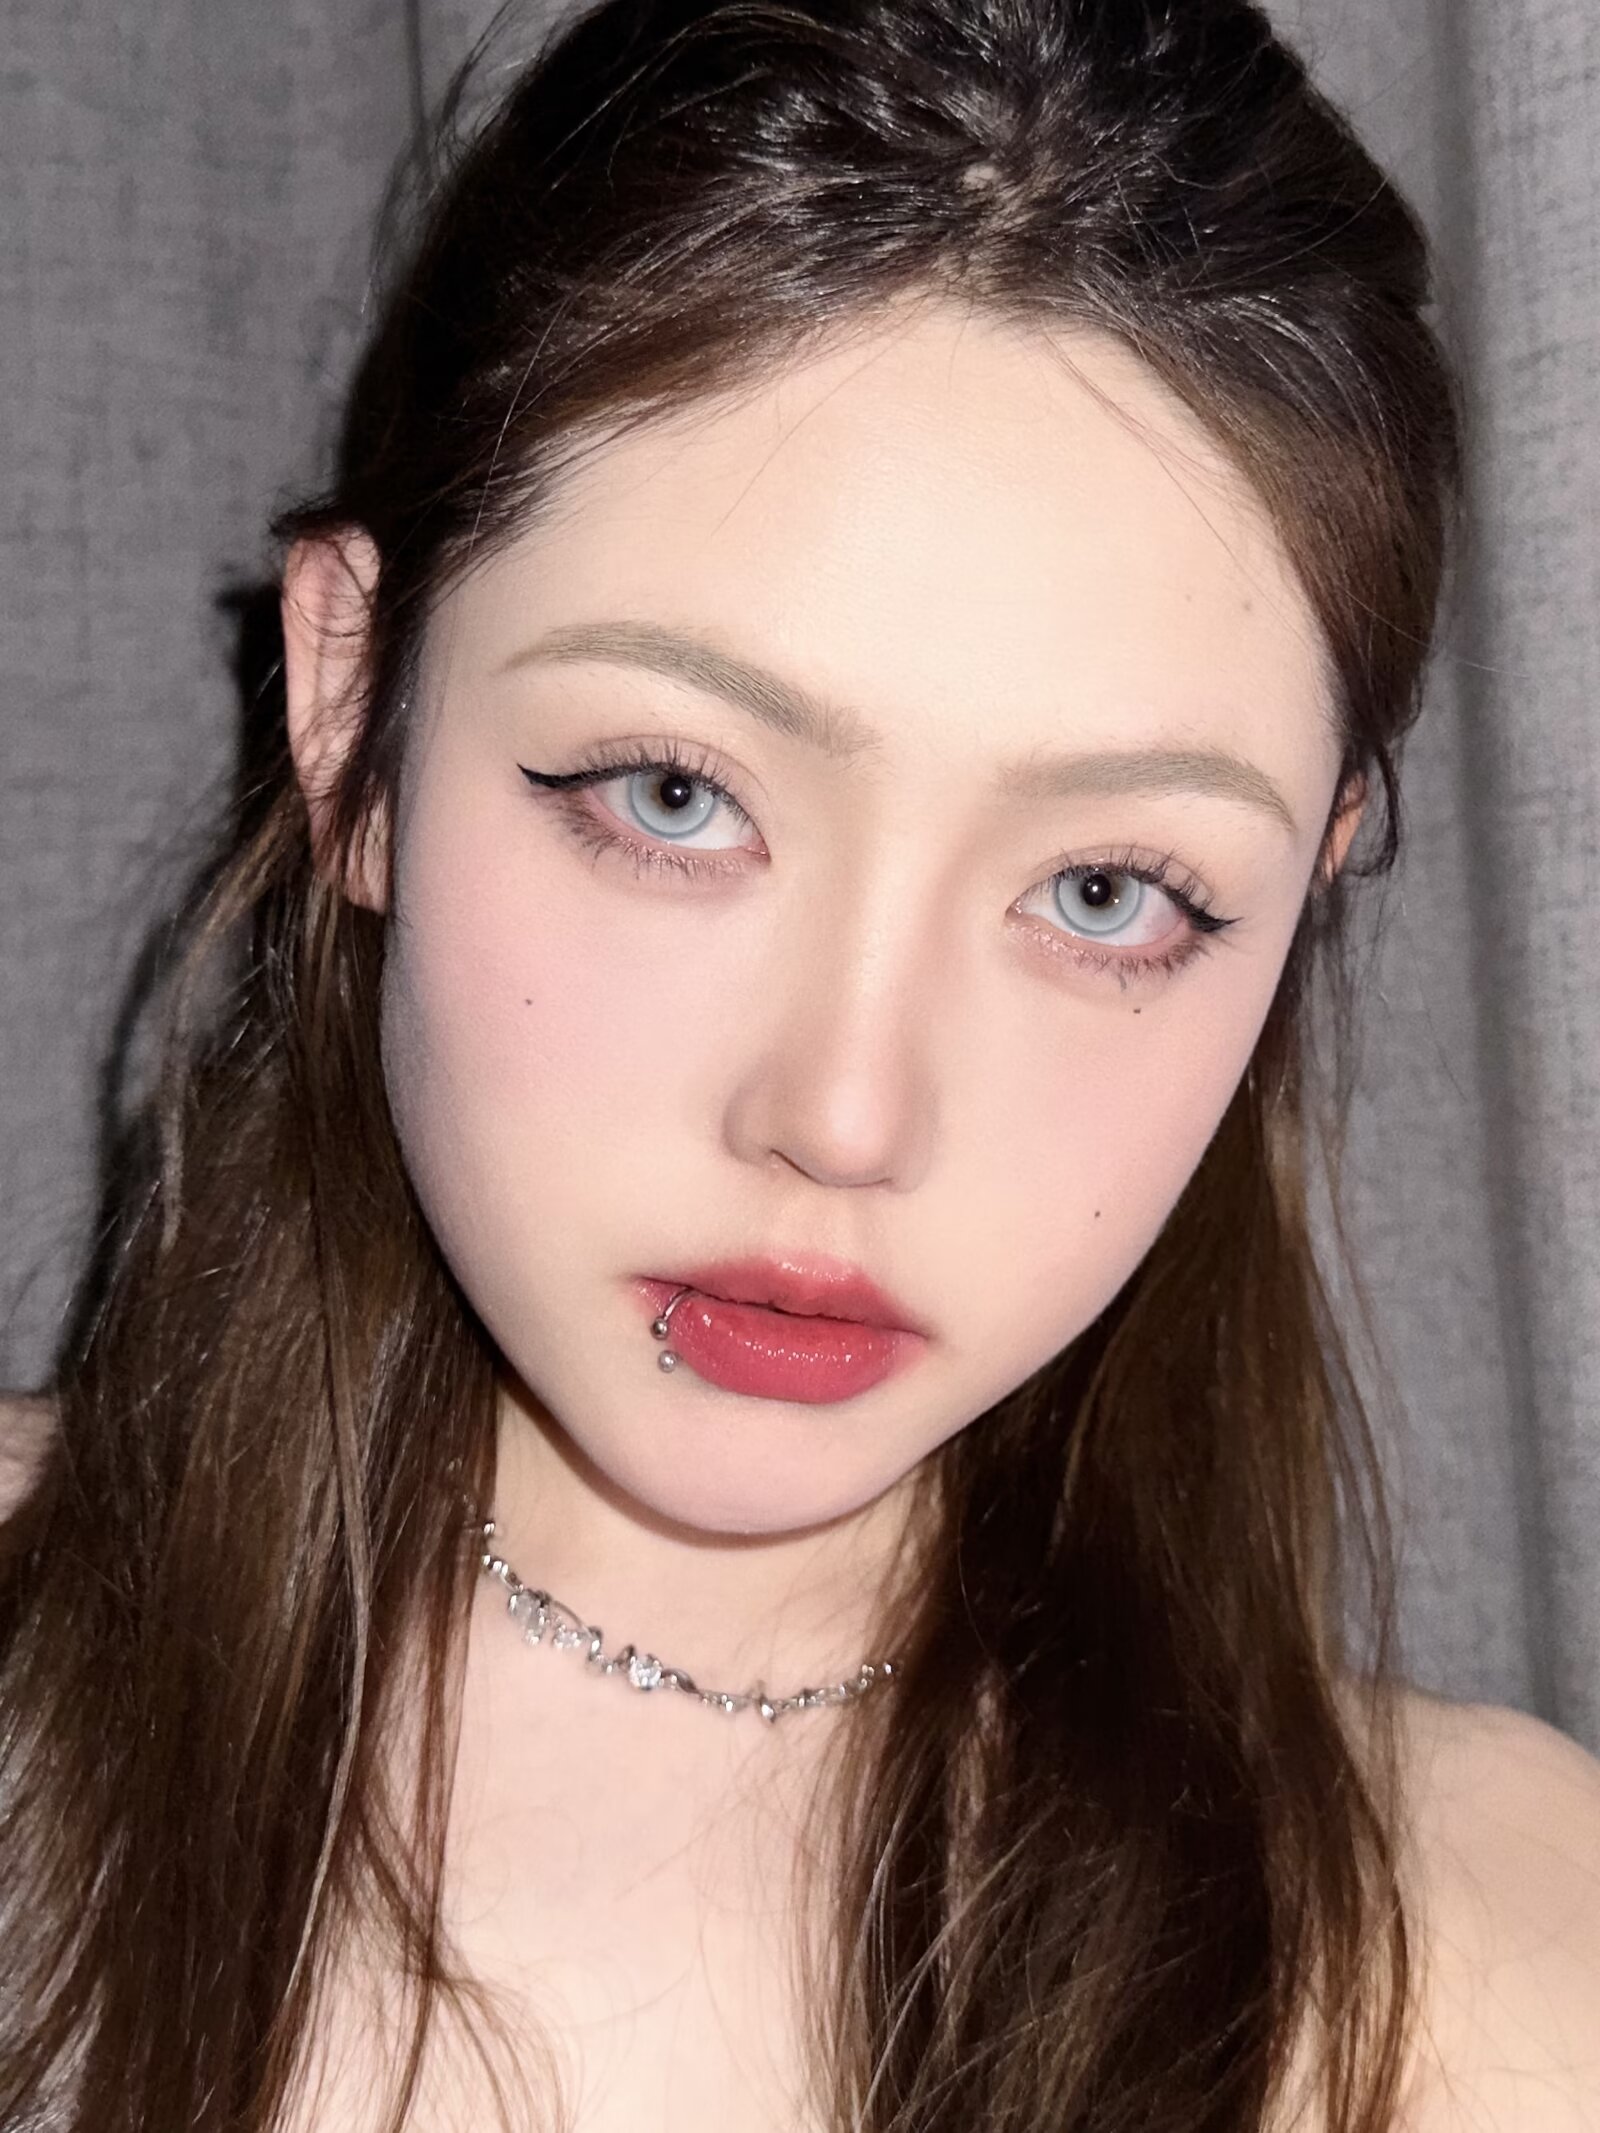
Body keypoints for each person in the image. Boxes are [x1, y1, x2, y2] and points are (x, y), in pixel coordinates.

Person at [2, 0, 1598, 2127]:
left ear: (1300, 895)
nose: (845, 1116)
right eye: (673, 795)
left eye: (1107, 891)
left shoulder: (1496, 1963)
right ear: (348, 710)